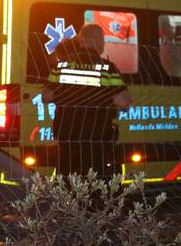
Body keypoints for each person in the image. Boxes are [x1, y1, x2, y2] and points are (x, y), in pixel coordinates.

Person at [42, 24, 132, 177]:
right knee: (92, 180)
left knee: (67, 178)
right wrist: (105, 96)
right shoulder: (107, 68)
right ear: (96, 40)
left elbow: (46, 97)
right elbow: (123, 101)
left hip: (67, 135)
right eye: (103, 39)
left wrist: (68, 94)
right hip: (96, 137)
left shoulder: (61, 66)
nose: (103, 43)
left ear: (81, 40)